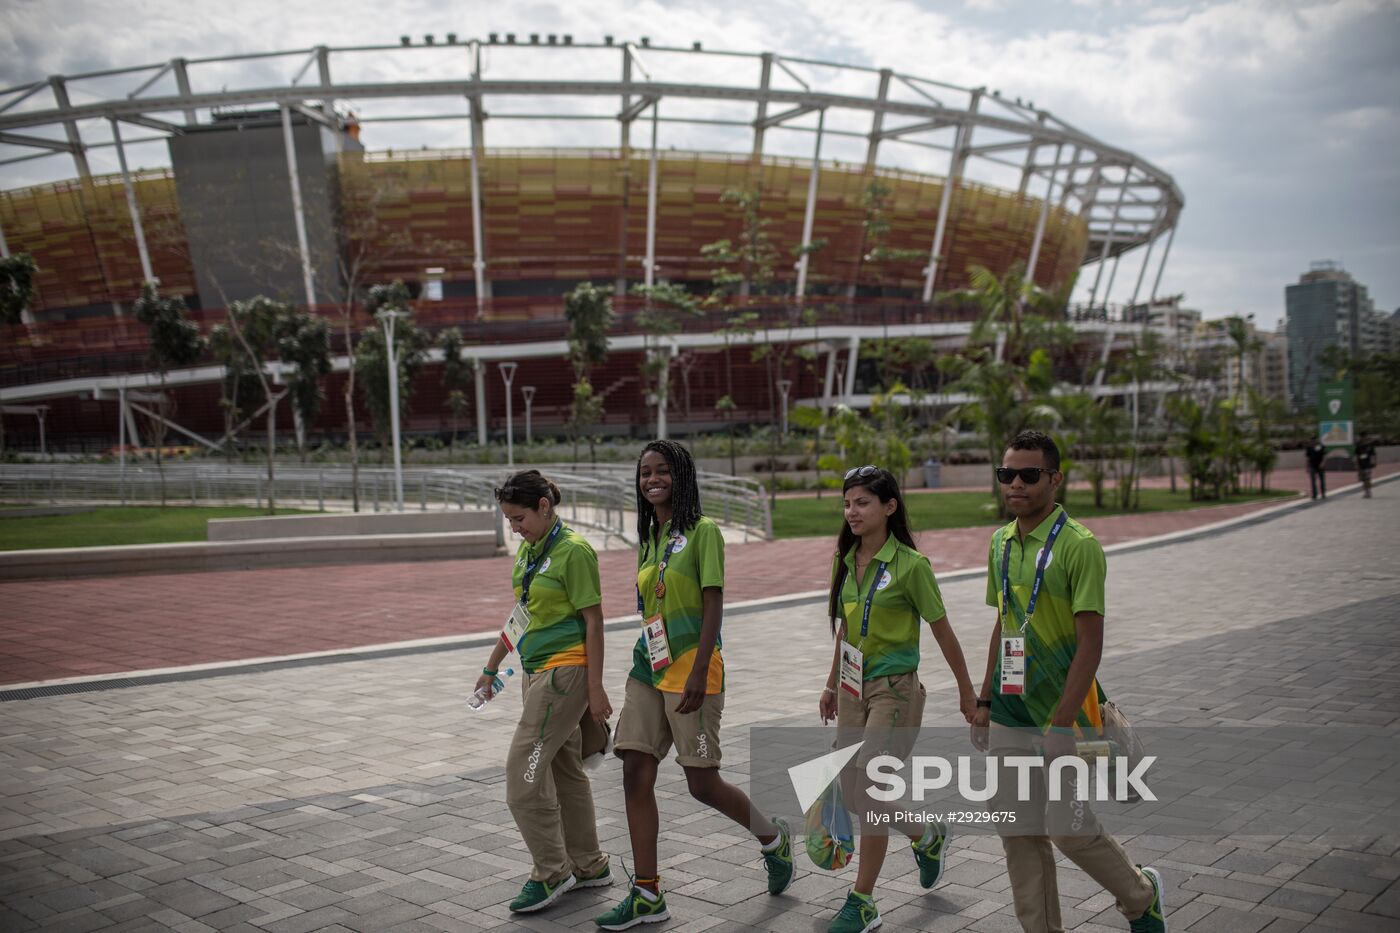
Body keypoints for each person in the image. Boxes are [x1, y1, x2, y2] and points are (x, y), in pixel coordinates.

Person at [971, 431, 1166, 933]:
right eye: (1007, 474)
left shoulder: (1080, 546)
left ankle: (1140, 896)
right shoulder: (1000, 542)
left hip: (1069, 714)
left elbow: (1090, 645)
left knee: (1068, 829)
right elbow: (1003, 623)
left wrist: (1060, 725)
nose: (1015, 484)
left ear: (1055, 479)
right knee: (1017, 828)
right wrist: (985, 699)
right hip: (1011, 710)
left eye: (1028, 474)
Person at [596, 439, 793, 931]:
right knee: (634, 770)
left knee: (701, 783)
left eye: (662, 470)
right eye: (645, 472)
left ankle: (773, 839)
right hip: (647, 667)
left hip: (692, 668)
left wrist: (702, 670)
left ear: (681, 476)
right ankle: (647, 893)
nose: (652, 479)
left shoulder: (704, 532)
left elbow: (713, 602)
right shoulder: (649, 536)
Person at [817, 465, 979, 933]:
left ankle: (863, 901)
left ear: (889, 507)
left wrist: (967, 692)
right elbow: (847, 627)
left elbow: (943, 631)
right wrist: (831, 684)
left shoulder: (911, 566)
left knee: (869, 791)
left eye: (862, 502)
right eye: (847, 503)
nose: (852, 512)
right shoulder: (846, 560)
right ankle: (926, 835)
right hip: (853, 689)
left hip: (895, 692)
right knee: (853, 793)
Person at [479, 470, 614, 914]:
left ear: (544, 506)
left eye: (519, 518)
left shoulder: (574, 551)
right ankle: (589, 865)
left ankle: (552, 871)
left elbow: (594, 621)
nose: (514, 528)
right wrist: (491, 666)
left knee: (523, 773)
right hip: (535, 672)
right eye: (508, 520)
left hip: (564, 674)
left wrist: (595, 688)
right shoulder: (530, 550)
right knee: (564, 771)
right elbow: (522, 614)